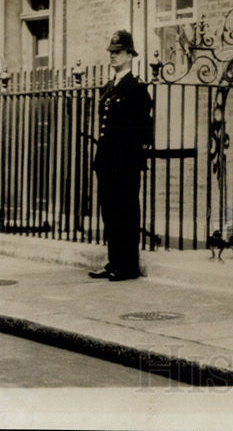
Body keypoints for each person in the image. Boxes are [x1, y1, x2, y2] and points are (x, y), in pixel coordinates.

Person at [88, 30, 153, 282]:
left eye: (118, 52)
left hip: (124, 163)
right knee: (109, 212)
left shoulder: (136, 88)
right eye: (111, 53)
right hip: (106, 162)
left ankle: (127, 266)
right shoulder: (107, 87)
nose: (113, 57)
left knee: (126, 212)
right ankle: (114, 261)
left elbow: (143, 130)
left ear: (130, 55)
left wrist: (134, 159)